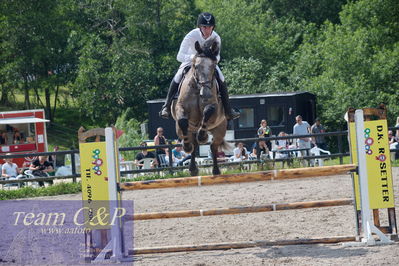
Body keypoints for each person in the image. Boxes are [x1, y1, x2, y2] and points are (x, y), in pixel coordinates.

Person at [159, 12, 239, 120]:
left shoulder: (216, 38)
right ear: (200, 27)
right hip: (191, 61)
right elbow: (179, 56)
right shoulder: (191, 35)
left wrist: (211, 59)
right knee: (178, 76)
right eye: (204, 27)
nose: (207, 30)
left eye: (210, 27)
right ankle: (166, 107)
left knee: (221, 78)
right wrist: (193, 57)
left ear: (213, 27)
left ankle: (228, 110)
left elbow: (218, 57)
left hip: (208, 64)